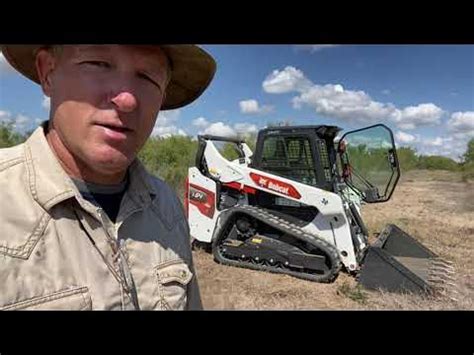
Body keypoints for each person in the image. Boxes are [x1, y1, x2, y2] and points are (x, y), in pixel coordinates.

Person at [0, 44, 216, 310]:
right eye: (98, 63)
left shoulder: (167, 207)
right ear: (47, 73)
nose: (127, 100)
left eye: (148, 77)